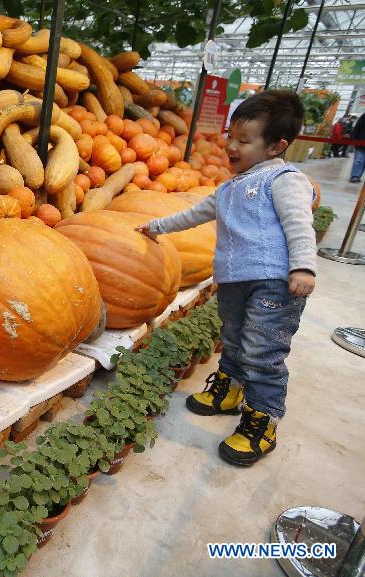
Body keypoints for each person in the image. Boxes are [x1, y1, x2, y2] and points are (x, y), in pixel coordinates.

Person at [138, 90, 316, 467]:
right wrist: (156, 226)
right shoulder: (229, 187)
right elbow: (192, 215)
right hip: (236, 281)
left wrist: (303, 266)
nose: (231, 146)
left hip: (275, 283)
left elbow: (299, 225)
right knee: (233, 338)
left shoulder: (283, 179)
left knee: (262, 352)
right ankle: (231, 390)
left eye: (244, 141)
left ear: (276, 146)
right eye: (230, 137)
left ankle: (263, 418)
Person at [349, 114, 365, 182]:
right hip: (361, 142)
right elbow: (357, 127)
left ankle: (357, 176)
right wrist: (353, 139)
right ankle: (355, 176)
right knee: (359, 160)